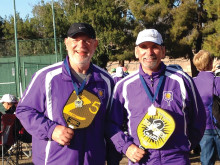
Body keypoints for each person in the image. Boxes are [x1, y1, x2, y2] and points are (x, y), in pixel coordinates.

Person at [16, 23, 114, 165]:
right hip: (54, 161)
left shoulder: (106, 81)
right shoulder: (46, 77)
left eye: (87, 40)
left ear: (95, 44)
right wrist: (51, 130)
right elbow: (24, 110)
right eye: (75, 40)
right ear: (66, 43)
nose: (81, 45)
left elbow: (110, 123)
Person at [107, 29, 206, 164]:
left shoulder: (182, 80)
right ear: (136, 52)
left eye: (155, 47)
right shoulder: (124, 86)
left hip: (176, 160)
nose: (149, 52)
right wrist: (126, 147)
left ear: (163, 51)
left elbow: (199, 117)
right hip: (142, 160)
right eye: (144, 47)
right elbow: (112, 123)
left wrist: (186, 145)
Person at [193, 50, 220, 165]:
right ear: (210, 63)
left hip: (203, 127)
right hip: (218, 124)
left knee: (206, 160)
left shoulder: (192, 82)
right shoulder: (217, 80)